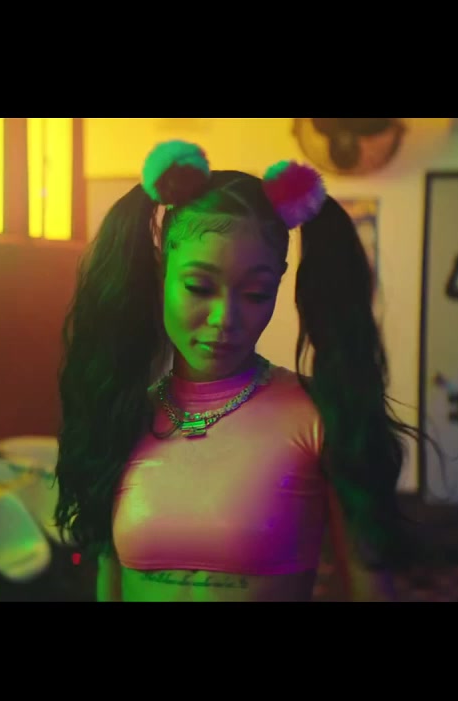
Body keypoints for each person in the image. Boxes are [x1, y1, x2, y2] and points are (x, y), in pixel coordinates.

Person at [54, 141, 416, 601]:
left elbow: (371, 590)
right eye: (199, 286)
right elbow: (109, 587)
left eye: (256, 293)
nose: (225, 318)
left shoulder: (318, 417)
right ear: (161, 275)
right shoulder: (122, 415)